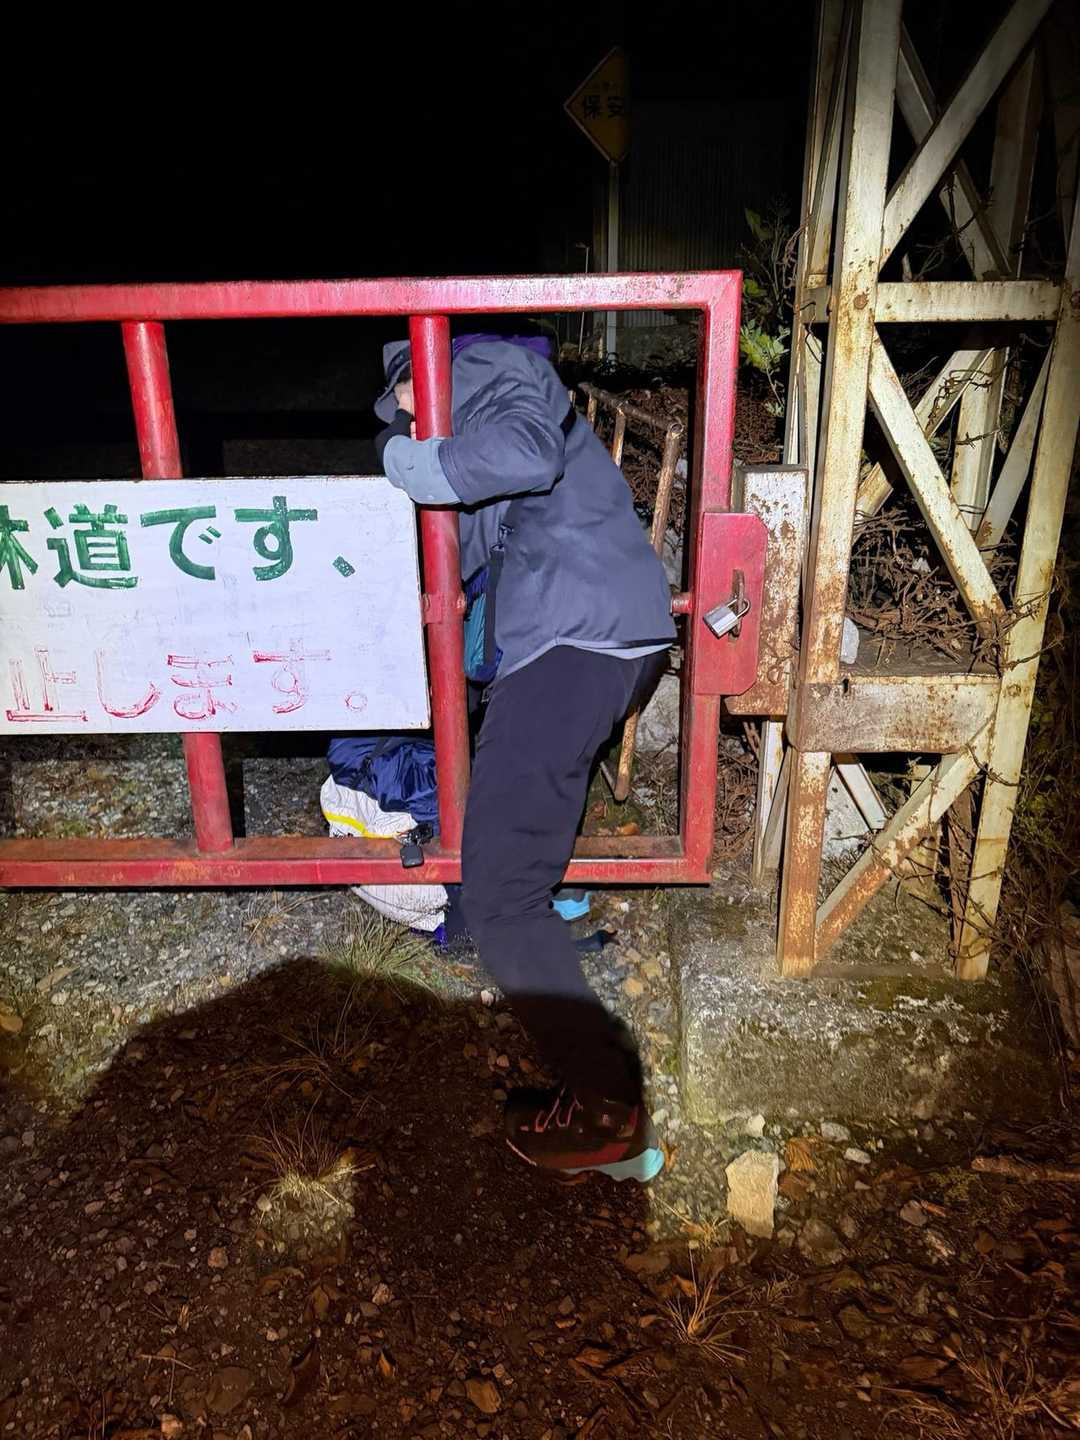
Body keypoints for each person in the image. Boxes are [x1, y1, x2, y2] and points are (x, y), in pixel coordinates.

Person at [373, 331, 675, 1182]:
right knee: (518, 847)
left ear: (420, 372)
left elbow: (523, 452)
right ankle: (603, 1081)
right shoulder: (475, 415)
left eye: (403, 401)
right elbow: (461, 554)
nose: (405, 418)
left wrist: (405, 459)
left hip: (575, 636)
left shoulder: (481, 367)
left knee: (498, 893)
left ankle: (609, 1115)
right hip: (593, 635)